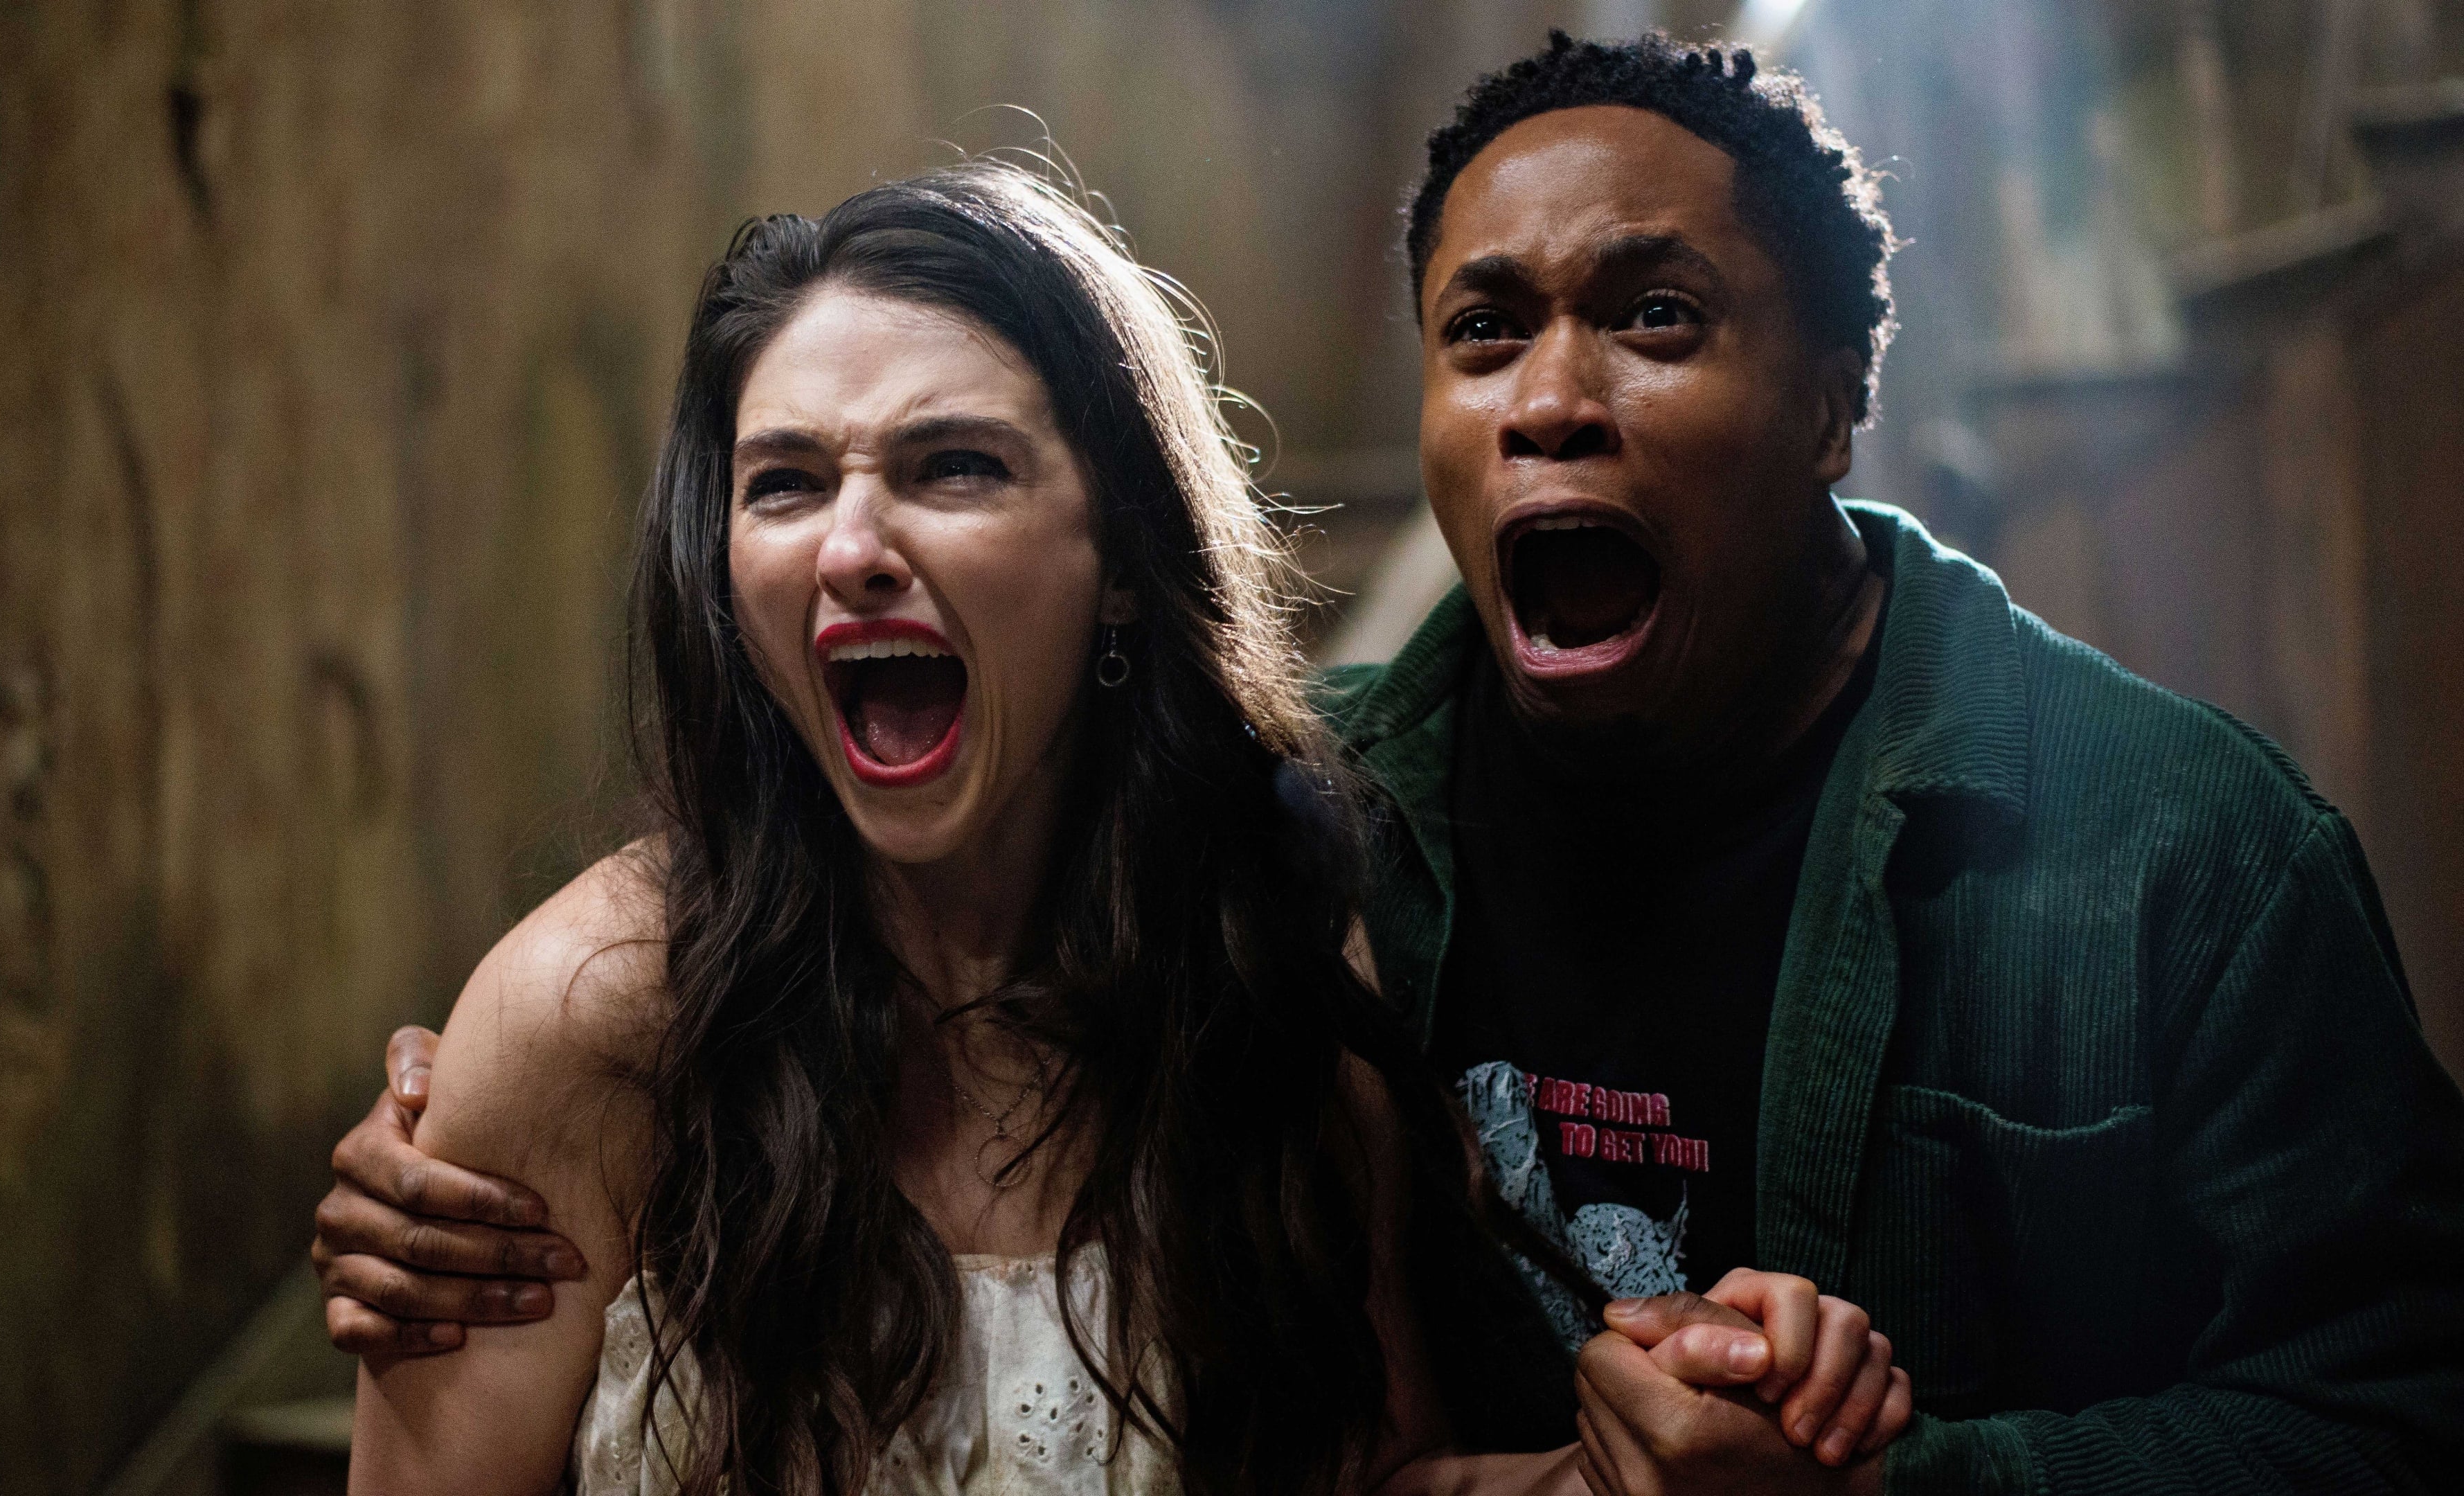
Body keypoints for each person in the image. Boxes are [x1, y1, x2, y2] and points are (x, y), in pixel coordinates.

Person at [322, 30, 2464, 1494]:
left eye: (1655, 317)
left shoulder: (2181, 854)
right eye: (1482, 331)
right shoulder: (1308, 852)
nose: (1550, 397)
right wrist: (479, 1106)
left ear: (1835, 403)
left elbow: (2412, 1407)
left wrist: (1890, 1481)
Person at [337, 155, 1910, 1496]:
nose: (853, 546)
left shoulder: (1262, 991)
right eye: (786, 484)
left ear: (1122, 570)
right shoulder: (596, 1018)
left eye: (955, 467)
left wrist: (1680, 1441)